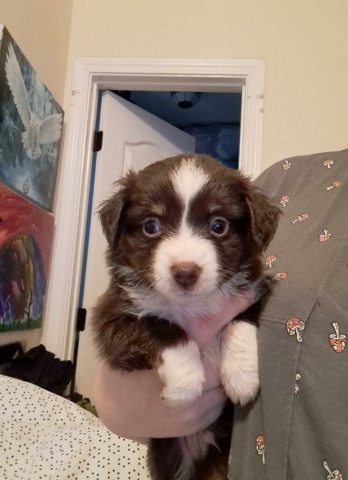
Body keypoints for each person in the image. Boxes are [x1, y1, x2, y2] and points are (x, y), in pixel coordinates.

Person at [93, 149, 348, 479]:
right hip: (172, 458)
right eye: (152, 226)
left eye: (217, 226)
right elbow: (114, 330)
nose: (185, 260)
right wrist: (171, 350)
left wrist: (238, 335)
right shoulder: (291, 174)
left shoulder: (246, 281)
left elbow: (254, 302)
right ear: (118, 232)